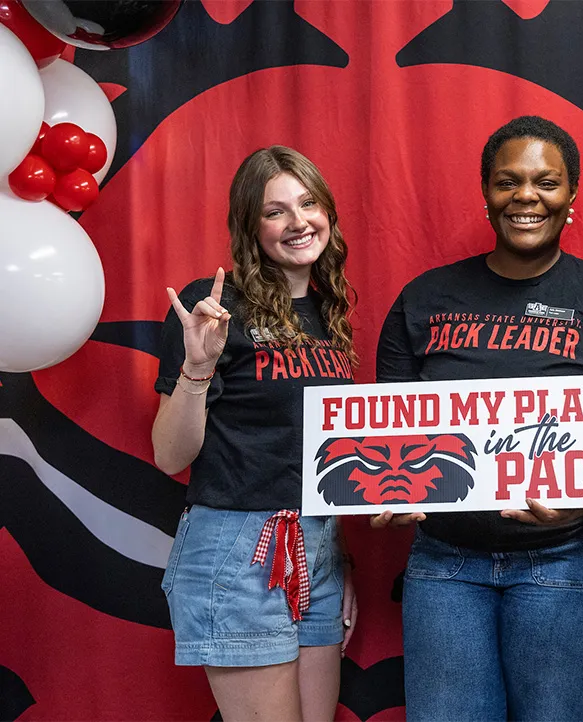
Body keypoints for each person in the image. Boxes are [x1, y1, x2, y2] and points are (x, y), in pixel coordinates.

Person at [374, 115, 583, 720]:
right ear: (486, 193)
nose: (525, 197)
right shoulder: (424, 298)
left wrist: (579, 504)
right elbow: (389, 432)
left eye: (546, 183)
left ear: (570, 197)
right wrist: (387, 490)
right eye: (508, 182)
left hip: (571, 555)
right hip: (446, 561)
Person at [152, 146, 358, 721]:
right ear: (250, 225)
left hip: (316, 543)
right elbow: (169, 456)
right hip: (239, 547)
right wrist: (197, 366)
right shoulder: (215, 309)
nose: (298, 222)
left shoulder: (327, 312)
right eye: (276, 211)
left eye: (308, 203)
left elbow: (317, 456)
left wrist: (337, 558)